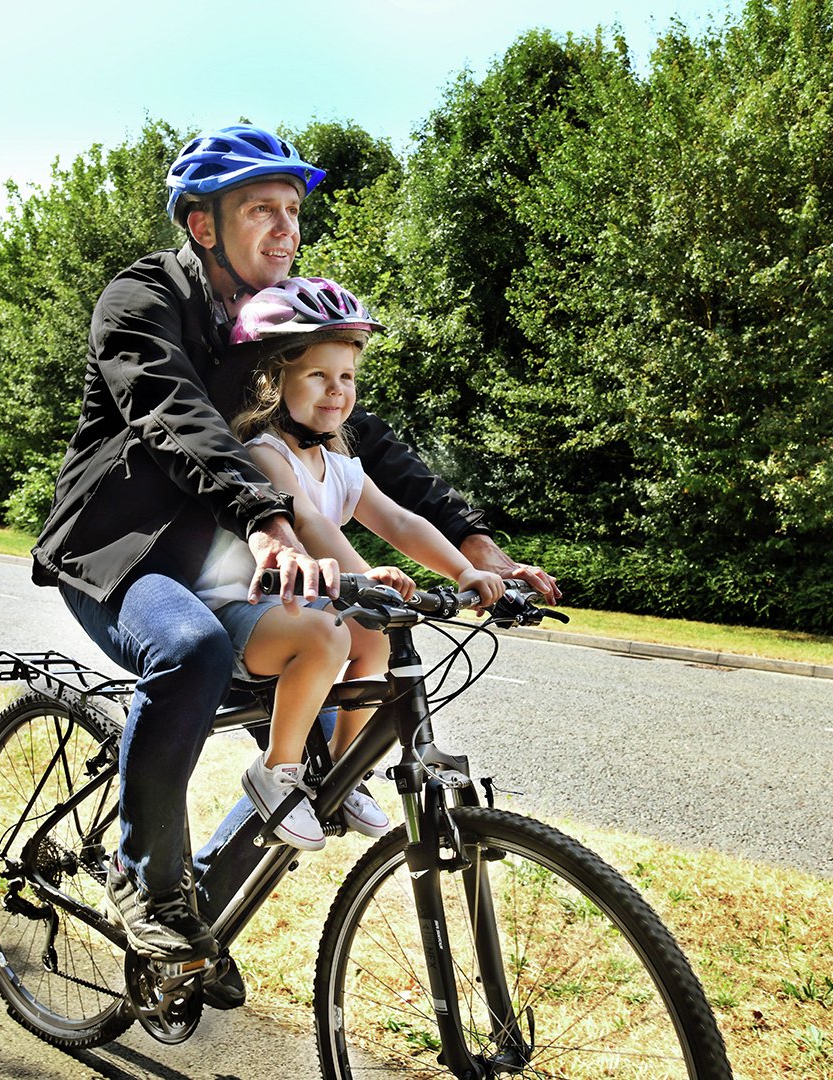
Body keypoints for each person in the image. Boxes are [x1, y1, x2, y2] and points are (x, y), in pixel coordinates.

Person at [31, 123, 559, 989]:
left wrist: (478, 552)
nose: (286, 227)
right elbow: (175, 415)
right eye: (261, 209)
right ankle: (148, 883)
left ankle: (203, 897)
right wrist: (267, 519)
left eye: (293, 211)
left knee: (333, 709)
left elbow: (378, 461)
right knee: (190, 650)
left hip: (244, 569)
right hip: (125, 557)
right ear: (204, 226)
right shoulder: (142, 302)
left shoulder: (279, 331)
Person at [193, 277, 506, 850]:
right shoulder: (265, 452)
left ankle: (343, 771)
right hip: (236, 611)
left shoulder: (340, 465)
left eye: (347, 378)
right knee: (328, 635)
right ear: (272, 380)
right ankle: (277, 771)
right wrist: (368, 576)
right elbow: (310, 524)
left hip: (295, 610)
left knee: (374, 640)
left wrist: (464, 570)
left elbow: (401, 521)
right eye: (318, 375)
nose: (337, 391)